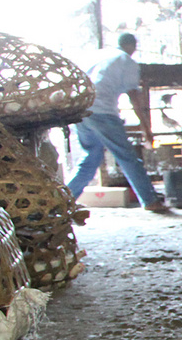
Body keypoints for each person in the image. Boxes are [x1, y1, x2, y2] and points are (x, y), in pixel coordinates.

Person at [66, 32, 172, 213]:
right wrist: (146, 128)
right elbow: (134, 97)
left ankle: (63, 201)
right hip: (102, 111)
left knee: (91, 158)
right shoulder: (126, 61)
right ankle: (150, 200)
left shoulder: (99, 55)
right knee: (127, 157)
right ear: (132, 46)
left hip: (80, 110)